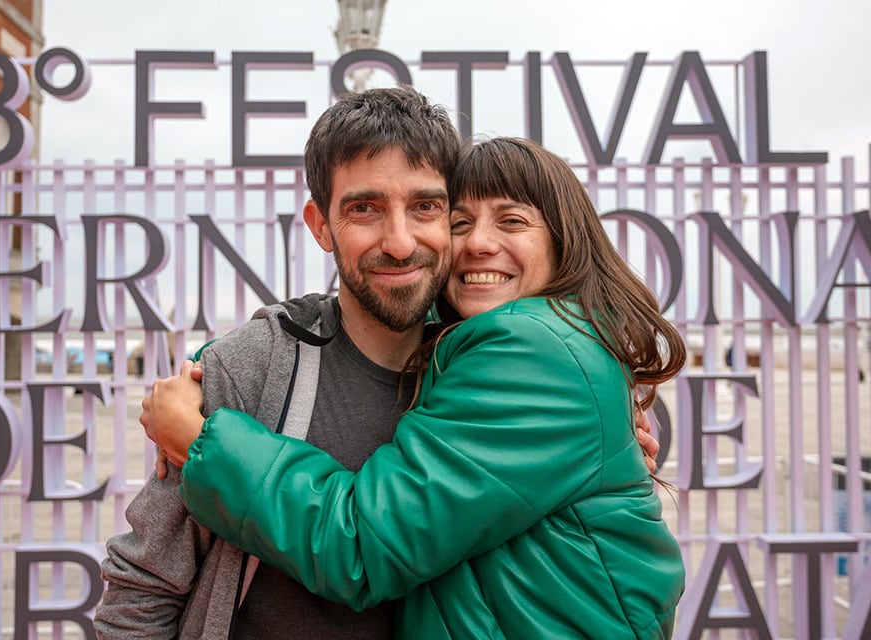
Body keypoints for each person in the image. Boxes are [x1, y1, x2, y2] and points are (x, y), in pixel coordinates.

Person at [143, 137, 687, 638]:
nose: (476, 243)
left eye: (513, 221)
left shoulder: (531, 350)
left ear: (565, 239)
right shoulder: (505, 347)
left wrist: (200, 441)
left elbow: (361, 543)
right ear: (321, 223)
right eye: (459, 221)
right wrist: (228, 361)